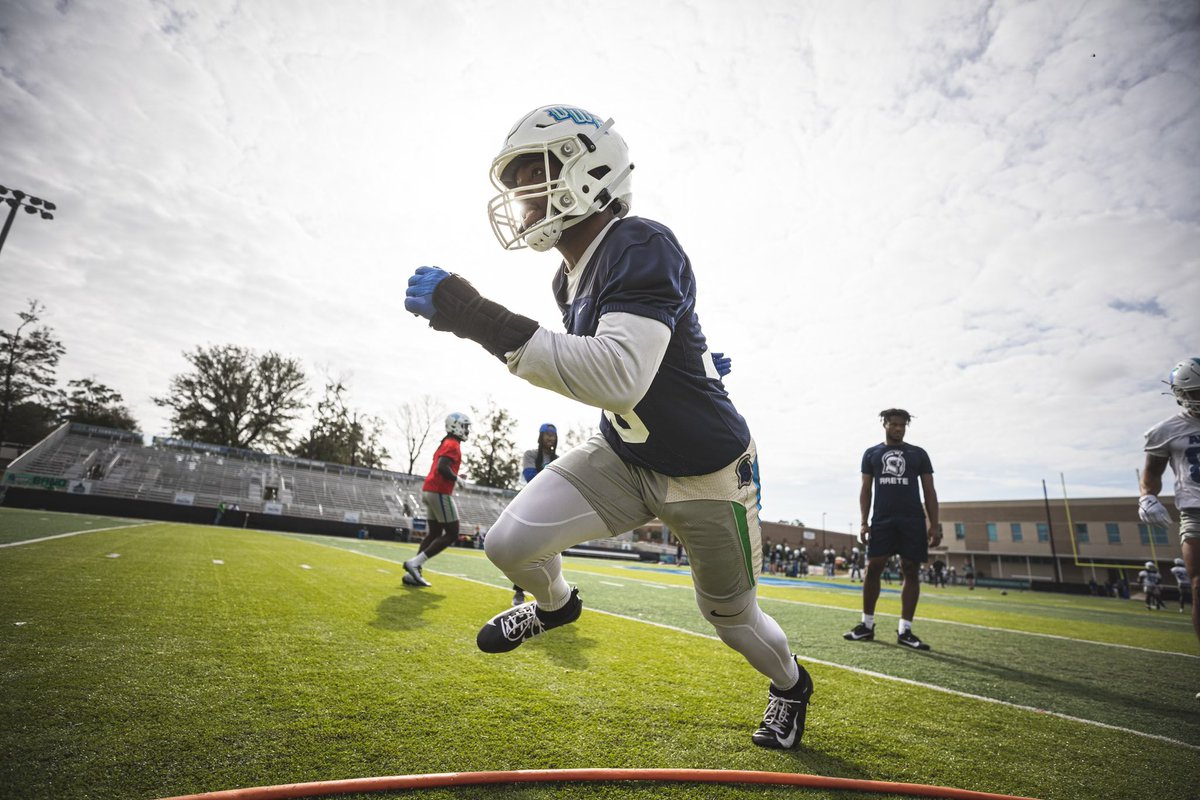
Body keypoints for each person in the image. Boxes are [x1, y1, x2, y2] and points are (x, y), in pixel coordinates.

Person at [404, 104, 812, 749]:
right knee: (508, 545)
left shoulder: (640, 240)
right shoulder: (568, 279)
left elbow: (616, 375)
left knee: (730, 618)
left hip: (706, 474)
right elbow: (612, 364)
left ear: (588, 169)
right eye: (514, 185)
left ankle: (790, 686)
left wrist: (475, 315)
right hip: (626, 454)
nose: (521, 198)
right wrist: (694, 360)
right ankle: (556, 605)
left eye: (532, 175)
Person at [845, 409, 940, 650]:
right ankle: (866, 625)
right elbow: (866, 489)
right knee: (873, 566)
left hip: (912, 520)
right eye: (894, 424)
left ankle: (905, 630)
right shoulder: (872, 453)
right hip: (883, 519)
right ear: (885, 424)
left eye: (902, 425)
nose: (899, 428)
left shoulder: (918, 454)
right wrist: (864, 522)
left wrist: (934, 524)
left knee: (911, 569)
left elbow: (929, 490)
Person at [1139, 357, 1200, 644]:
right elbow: (1152, 473)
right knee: (1199, 585)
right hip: (1195, 512)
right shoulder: (1165, 431)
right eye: (1195, 392)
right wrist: (1147, 497)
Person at [402, 412, 471, 588]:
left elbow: (443, 466)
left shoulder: (446, 443)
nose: (467, 430)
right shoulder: (452, 444)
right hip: (439, 491)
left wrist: (455, 475)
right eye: (464, 426)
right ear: (455, 426)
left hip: (430, 489)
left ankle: (413, 572)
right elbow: (442, 468)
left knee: (433, 533)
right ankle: (415, 564)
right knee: (452, 533)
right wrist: (458, 479)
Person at [512, 423, 560, 605]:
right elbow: (530, 477)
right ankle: (518, 591)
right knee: (524, 549)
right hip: (530, 506)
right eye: (546, 434)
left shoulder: (558, 458)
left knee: (550, 550)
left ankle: (550, 592)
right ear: (540, 436)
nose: (550, 438)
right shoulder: (530, 455)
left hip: (550, 509)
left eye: (553, 435)